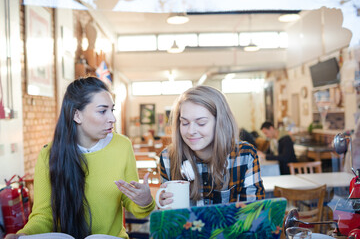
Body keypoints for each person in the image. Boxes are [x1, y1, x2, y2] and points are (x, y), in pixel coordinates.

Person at [6, 77, 155, 239]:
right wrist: (23, 235)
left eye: (112, 110)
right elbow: (43, 215)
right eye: (102, 111)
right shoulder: (49, 154)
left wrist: (144, 200)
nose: (113, 118)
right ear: (77, 115)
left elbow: (131, 202)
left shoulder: (122, 146)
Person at [158, 85, 265, 207]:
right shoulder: (168, 157)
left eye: (201, 123)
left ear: (220, 123)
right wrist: (162, 205)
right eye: (185, 123)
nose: (190, 131)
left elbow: (255, 214)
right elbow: (169, 219)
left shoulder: (245, 155)